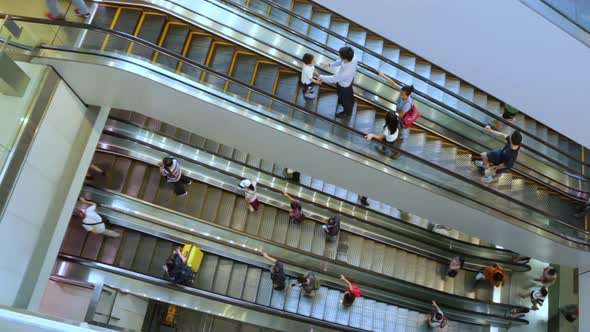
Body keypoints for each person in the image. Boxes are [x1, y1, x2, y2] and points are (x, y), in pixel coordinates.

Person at [319, 46, 358, 118]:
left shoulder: (346, 72)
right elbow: (340, 61)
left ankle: (347, 112)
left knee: (345, 100)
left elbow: (334, 79)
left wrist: (320, 76)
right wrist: (330, 64)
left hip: (344, 86)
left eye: (340, 56)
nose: (339, 56)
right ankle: (350, 102)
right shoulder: (353, 57)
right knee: (349, 95)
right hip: (348, 80)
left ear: (345, 59)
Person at [377, 70, 414, 139]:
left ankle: (395, 131)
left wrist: (392, 115)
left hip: (401, 116)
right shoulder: (403, 91)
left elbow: (401, 115)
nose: (400, 95)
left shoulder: (407, 104)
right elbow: (393, 83)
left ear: (407, 95)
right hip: (398, 111)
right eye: (401, 93)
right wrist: (383, 75)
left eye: (402, 94)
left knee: (396, 122)